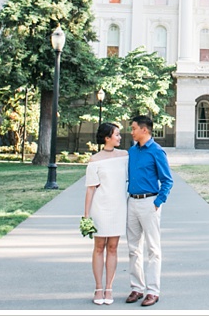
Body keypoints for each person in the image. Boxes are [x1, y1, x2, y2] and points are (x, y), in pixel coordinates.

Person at [125, 115, 173, 307]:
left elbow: (167, 180)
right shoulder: (131, 151)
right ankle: (137, 287)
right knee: (133, 248)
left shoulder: (157, 151)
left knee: (153, 248)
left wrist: (158, 201)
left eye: (134, 128)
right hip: (132, 202)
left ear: (144, 130)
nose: (132, 131)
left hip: (149, 202)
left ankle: (153, 291)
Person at [83, 122, 128, 305]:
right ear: (107, 137)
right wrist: (86, 215)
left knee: (113, 247)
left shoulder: (125, 156)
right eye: (117, 134)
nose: (120, 137)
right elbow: (90, 189)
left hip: (118, 207)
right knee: (99, 247)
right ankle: (98, 287)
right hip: (100, 207)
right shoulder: (95, 160)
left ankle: (109, 288)